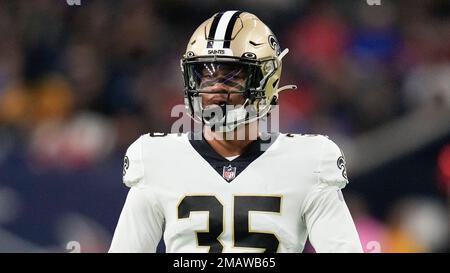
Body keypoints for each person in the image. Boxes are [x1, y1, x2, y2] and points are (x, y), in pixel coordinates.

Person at [109, 10, 363, 253]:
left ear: (266, 79)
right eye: (205, 75)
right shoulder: (157, 159)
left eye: (232, 76)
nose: (216, 87)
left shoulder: (309, 161)